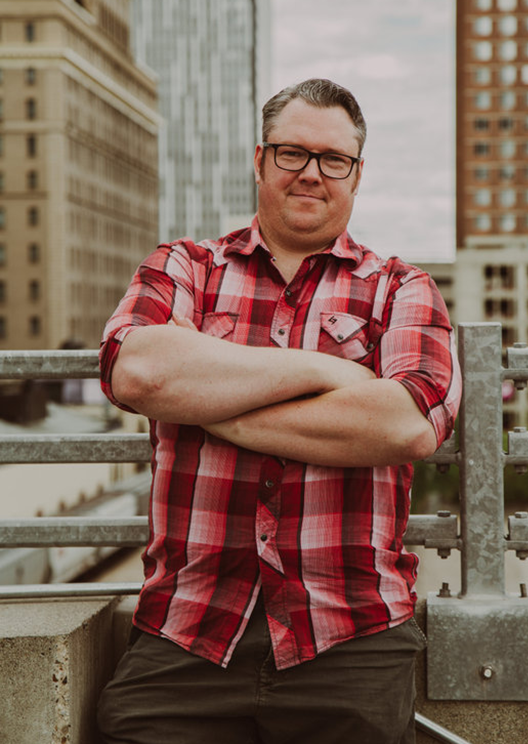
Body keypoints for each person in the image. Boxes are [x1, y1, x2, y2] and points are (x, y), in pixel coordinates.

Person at [97, 78, 462, 744]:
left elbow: (406, 422)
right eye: (292, 152)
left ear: (356, 174)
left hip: (350, 635)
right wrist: (329, 372)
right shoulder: (184, 265)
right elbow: (141, 370)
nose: (311, 173)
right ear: (260, 159)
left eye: (332, 159)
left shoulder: (400, 288)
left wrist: (210, 401)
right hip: (188, 629)